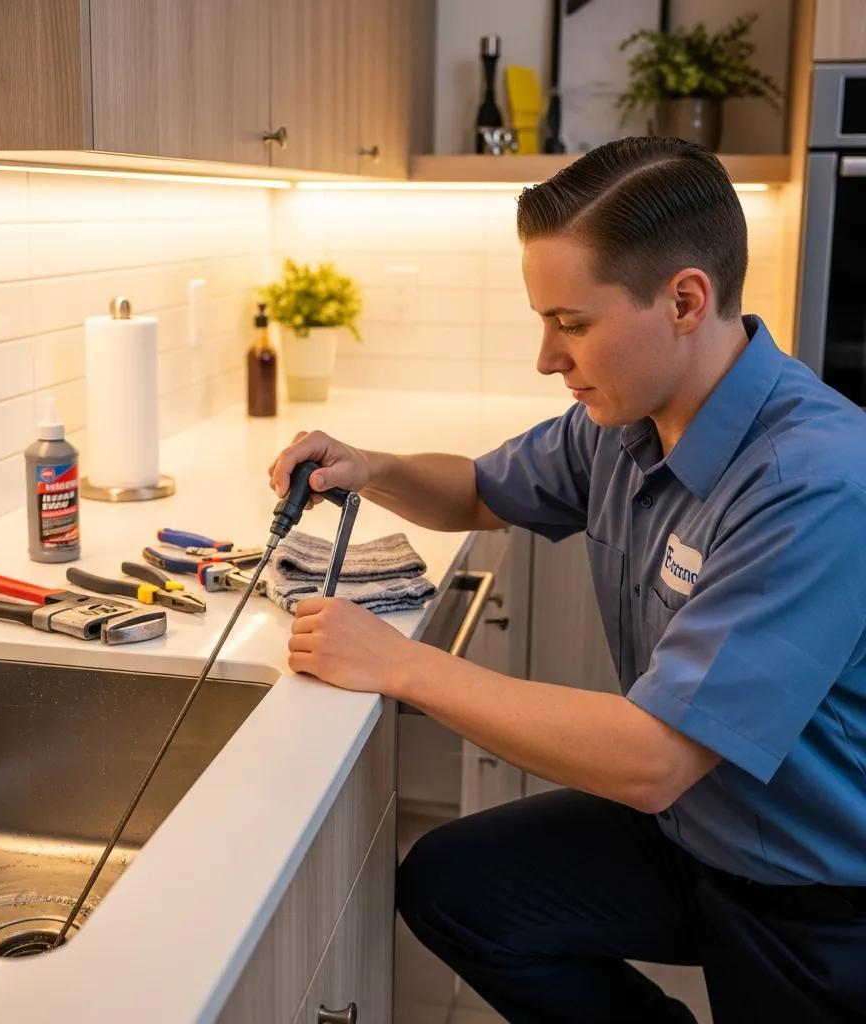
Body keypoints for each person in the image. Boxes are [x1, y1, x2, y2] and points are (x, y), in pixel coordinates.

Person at [266, 136, 866, 1024]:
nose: (548, 357)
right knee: (454, 885)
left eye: (572, 323)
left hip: (812, 899)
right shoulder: (625, 420)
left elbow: (655, 760)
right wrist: (372, 465)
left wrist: (399, 664)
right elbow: (479, 488)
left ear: (686, 301)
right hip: (691, 834)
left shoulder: (814, 481)